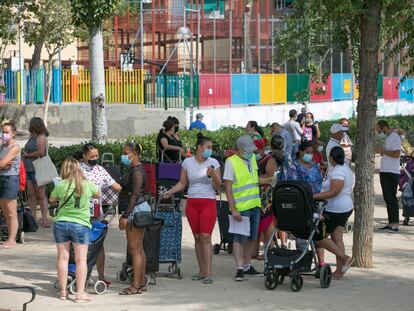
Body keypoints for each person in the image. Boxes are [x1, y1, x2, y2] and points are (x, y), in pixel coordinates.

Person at [164, 133, 221, 284]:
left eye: (211, 148)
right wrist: (170, 191)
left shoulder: (213, 162)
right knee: (197, 237)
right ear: (199, 147)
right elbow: (182, 183)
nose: (210, 150)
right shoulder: (187, 162)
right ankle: (201, 270)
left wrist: (212, 175)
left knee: (206, 237)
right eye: (208, 147)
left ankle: (209, 272)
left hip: (208, 201)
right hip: (192, 202)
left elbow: (218, 186)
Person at [49, 158, 100, 302]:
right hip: (80, 225)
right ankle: (80, 294)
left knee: (62, 258)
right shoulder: (86, 184)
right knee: (81, 260)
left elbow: (52, 199)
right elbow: (98, 195)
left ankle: (63, 292)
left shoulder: (61, 184)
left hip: (61, 223)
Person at [223, 135, 271, 281]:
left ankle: (247, 266)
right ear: (239, 149)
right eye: (248, 150)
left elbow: (253, 180)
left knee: (252, 237)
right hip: (241, 206)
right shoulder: (231, 162)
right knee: (239, 238)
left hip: (255, 204)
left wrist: (268, 180)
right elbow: (228, 188)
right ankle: (239, 269)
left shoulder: (251, 159)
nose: (251, 152)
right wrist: (233, 209)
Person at [80, 143, 122, 285]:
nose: (95, 158)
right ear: (85, 156)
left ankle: (101, 276)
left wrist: (129, 188)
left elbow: (115, 185)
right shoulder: (78, 170)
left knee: (98, 245)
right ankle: (83, 276)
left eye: (97, 155)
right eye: (92, 156)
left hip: (97, 213)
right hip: (81, 213)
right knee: (82, 245)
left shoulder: (100, 170)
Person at [314, 147, 355, 279]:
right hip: (343, 207)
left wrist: (314, 196)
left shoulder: (338, 171)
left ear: (331, 157)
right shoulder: (344, 168)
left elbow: (333, 192)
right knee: (337, 238)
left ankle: (345, 258)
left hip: (336, 209)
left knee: (319, 237)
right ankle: (339, 271)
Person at [118, 142, 148, 295]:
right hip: (138, 209)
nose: (123, 156)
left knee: (134, 249)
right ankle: (140, 282)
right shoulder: (136, 169)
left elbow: (134, 195)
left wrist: (125, 215)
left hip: (135, 210)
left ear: (134, 154)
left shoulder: (137, 172)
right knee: (139, 249)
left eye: (125, 153)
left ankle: (136, 285)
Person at [256, 135, 289, 259]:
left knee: (268, 222)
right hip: (280, 191)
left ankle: (270, 249)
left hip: (268, 193)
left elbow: (271, 178)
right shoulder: (286, 157)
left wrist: (257, 179)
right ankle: (271, 247)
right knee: (270, 221)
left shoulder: (271, 158)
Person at [22, 117, 50, 228]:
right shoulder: (32, 136)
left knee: (41, 195)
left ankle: (44, 219)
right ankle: (32, 218)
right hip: (29, 168)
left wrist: (27, 155)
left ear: (35, 125)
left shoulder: (41, 137)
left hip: (38, 169)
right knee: (31, 195)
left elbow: (41, 152)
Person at [375, 120, 402, 233]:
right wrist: (382, 151)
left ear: (384, 127)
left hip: (391, 172)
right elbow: (387, 152)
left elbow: (396, 154)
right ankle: (391, 223)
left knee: (391, 198)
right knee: (387, 198)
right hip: (385, 171)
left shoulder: (394, 137)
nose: (378, 132)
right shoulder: (389, 137)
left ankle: (395, 224)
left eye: (378, 129)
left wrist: (383, 151)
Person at [0, 120, 21, 250]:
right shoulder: (2, 146)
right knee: (5, 212)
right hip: (2, 178)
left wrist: (2, 164)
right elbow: (2, 164)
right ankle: (9, 238)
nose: (4, 134)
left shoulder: (15, 147)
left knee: (11, 212)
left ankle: (12, 239)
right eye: (3, 132)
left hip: (10, 179)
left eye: (7, 132)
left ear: (13, 133)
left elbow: (3, 164)